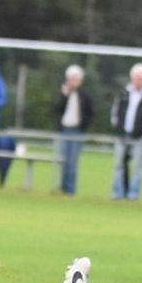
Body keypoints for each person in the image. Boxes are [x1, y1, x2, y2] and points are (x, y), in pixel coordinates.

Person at [110, 63, 142, 200]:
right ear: (132, 78)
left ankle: (134, 194)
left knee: (137, 166)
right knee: (118, 165)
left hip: (140, 137)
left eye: (141, 78)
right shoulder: (123, 94)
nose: (138, 80)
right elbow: (115, 112)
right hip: (122, 135)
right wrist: (118, 127)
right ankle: (117, 193)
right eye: (136, 77)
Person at [54, 65, 94, 196]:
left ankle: (71, 190)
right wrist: (65, 96)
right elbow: (57, 110)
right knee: (62, 160)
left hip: (77, 132)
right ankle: (62, 188)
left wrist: (84, 126)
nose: (73, 82)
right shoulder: (62, 94)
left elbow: (91, 114)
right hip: (64, 131)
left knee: (72, 162)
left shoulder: (84, 97)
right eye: (71, 79)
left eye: (76, 79)